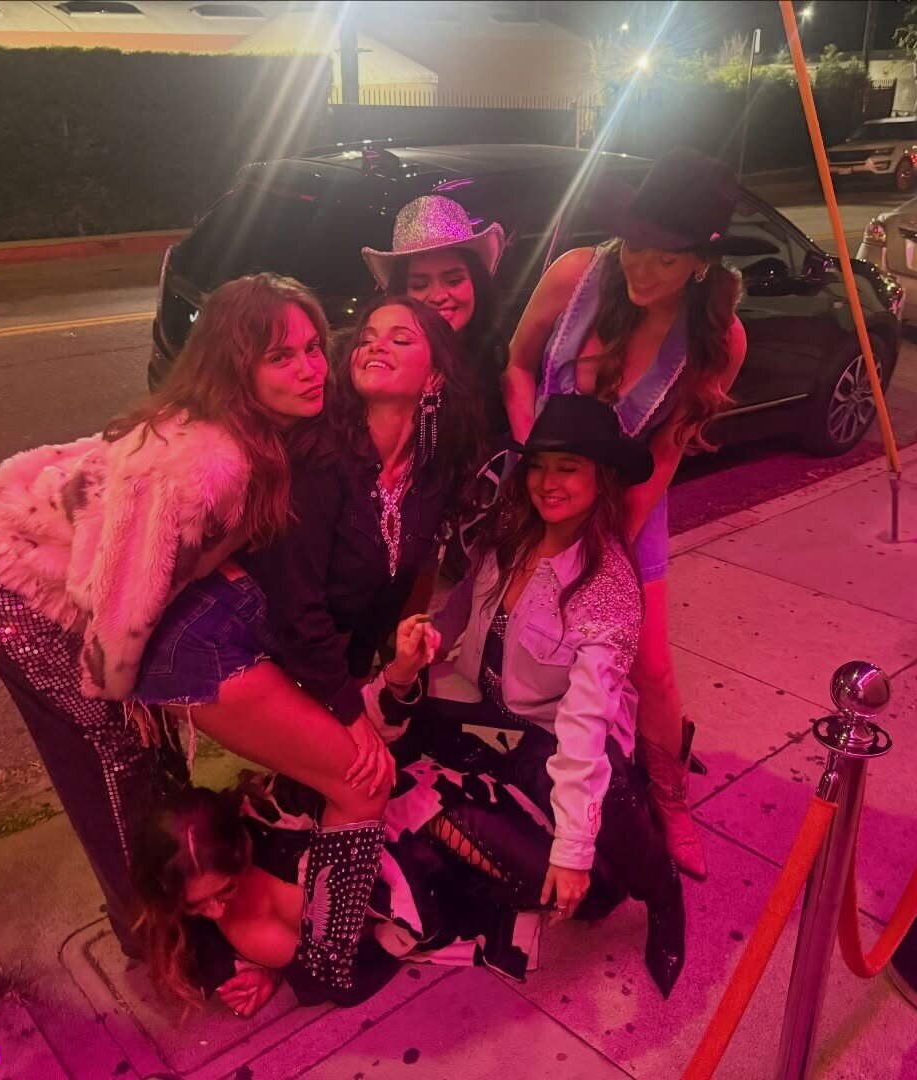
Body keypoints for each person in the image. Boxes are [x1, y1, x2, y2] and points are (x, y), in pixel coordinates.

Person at [0, 273, 331, 957]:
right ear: (235, 369)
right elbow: (122, 605)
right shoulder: (201, 464)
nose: (310, 368)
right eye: (281, 356)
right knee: (117, 755)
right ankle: (166, 949)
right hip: (8, 575)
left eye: (314, 347)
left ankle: (192, 904)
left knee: (146, 753)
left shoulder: (260, 432)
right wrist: (124, 696)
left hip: (55, 545)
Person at [126, 294, 486, 997]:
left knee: (348, 777)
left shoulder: (429, 473)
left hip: (269, 639)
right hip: (210, 640)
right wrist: (351, 714)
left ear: (436, 376)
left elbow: (390, 590)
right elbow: (300, 609)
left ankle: (300, 942)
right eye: (368, 335)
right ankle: (326, 967)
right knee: (362, 780)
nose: (374, 345)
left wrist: (388, 670)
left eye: (401, 338)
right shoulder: (321, 458)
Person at [503, 148, 769, 882]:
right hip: (531, 486)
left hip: (628, 503)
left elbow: (667, 454)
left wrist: (598, 543)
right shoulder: (575, 276)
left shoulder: (719, 341)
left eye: (664, 259)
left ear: (702, 265)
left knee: (649, 663)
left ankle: (670, 800)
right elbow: (516, 365)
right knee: (503, 630)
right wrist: (534, 468)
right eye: (633, 248)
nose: (639, 271)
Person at [370, 394, 686, 997]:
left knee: (593, 833)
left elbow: (583, 726)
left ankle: (662, 890)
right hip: (491, 717)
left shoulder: (607, 584)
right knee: (389, 756)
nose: (547, 482)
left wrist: (572, 851)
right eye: (538, 465)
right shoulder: (508, 534)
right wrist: (423, 644)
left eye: (568, 467)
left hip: (553, 738)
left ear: (602, 478)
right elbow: (462, 607)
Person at [130, 774, 544, 1014]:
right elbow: (333, 973)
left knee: (556, 881)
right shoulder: (194, 920)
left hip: (427, 835)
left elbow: (364, 782)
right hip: (434, 905)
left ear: (241, 850)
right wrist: (261, 969)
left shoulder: (293, 823)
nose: (216, 909)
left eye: (224, 889)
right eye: (195, 905)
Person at [363, 194, 510, 439]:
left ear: (476, 284)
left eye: (453, 280)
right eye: (420, 285)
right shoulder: (380, 365)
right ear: (401, 293)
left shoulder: (498, 361)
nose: (439, 296)